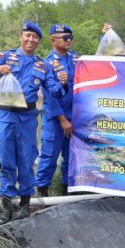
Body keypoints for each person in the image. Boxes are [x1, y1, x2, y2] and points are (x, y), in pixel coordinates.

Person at [0, 21, 68, 224]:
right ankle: (6, 205)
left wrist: (62, 81)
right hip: (4, 115)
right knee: (5, 158)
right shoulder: (7, 56)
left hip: (27, 117)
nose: (31, 39)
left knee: (27, 158)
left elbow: (54, 90)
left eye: (35, 37)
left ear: (38, 41)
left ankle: (26, 203)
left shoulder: (42, 65)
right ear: (21, 37)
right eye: (27, 35)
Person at [35, 24, 80, 197]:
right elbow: (50, 97)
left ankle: (66, 191)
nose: (69, 40)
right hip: (56, 119)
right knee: (49, 157)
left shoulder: (74, 59)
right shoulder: (47, 64)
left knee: (71, 157)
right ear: (53, 40)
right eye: (65, 38)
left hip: (74, 117)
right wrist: (63, 120)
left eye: (70, 37)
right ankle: (42, 193)